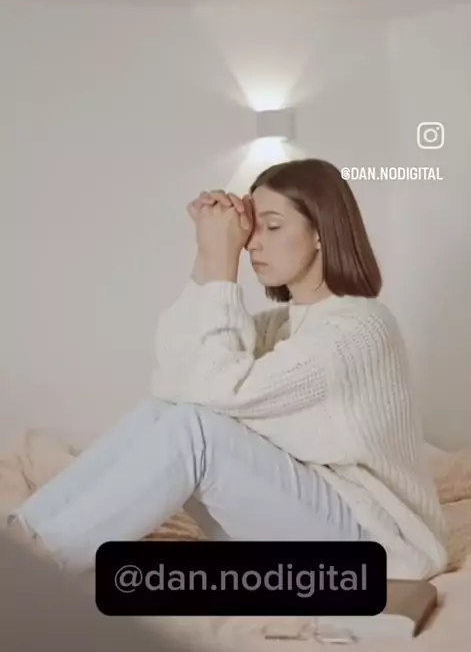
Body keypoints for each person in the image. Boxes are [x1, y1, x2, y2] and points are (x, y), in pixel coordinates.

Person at [7, 158, 448, 580]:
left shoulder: (360, 328)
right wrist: (207, 258)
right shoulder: (281, 326)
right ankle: (20, 540)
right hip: (317, 519)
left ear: (320, 232)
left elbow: (211, 390)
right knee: (166, 411)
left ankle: (37, 569)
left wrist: (222, 266)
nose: (253, 243)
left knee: (194, 428)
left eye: (272, 226)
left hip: (377, 543)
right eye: (253, 228)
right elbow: (176, 377)